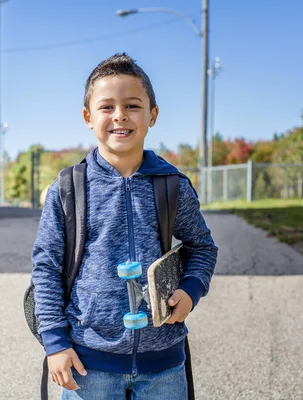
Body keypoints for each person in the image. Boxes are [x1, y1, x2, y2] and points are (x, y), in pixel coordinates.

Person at [31, 53, 218, 399]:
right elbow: (46, 269)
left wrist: (191, 291)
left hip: (163, 365)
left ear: (153, 115)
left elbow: (203, 248)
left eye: (132, 105)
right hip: (87, 365)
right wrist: (54, 343)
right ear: (88, 117)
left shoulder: (172, 185)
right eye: (106, 107)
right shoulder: (68, 190)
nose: (119, 115)